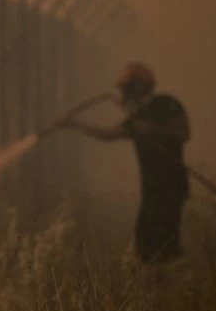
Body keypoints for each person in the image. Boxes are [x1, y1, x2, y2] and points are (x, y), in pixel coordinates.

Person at [59, 62, 191, 264]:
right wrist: (75, 125)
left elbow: (183, 133)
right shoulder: (135, 119)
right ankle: (157, 284)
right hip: (151, 188)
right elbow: (108, 135)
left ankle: (176, 280)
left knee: (165, 243)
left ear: (140, 87)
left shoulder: (167, 105)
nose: (124, 95)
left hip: (171, 186)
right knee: (145, 245)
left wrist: (153, 131)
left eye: (127, 89)